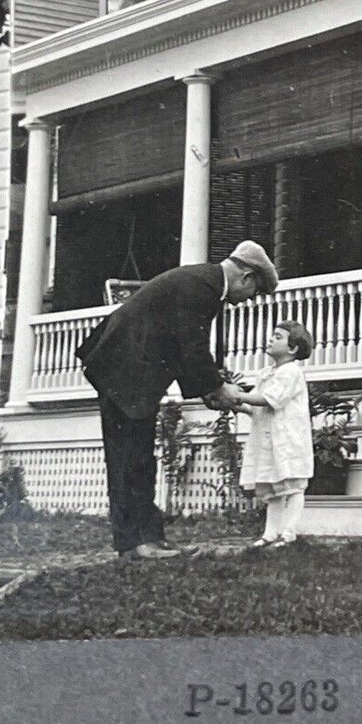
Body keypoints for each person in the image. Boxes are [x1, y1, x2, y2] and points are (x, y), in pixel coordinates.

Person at [76, 240, 279, 560]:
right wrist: (215, 388)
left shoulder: (202, 282)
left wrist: (211, 391)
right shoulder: (203, 288)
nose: (245, 302)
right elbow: (192, 347)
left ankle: (149, 539)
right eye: (253, 293)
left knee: (139, 458)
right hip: (123, 372)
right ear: (247, 277)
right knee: (129, 459)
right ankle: (135, 544)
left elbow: (181, 347)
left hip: (130, 372)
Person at [235, 320, 315, 547]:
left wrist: (239, 395)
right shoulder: (266, 373)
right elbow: (256, 406)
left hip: (287, 439)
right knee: (273, 489)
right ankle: (270, 534)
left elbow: (271, 399)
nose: (271, 339)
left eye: (278, 337)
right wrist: (234, 402)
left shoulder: (291, 372)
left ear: (292, 349)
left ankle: (288, 533)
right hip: (269, 440)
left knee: (293, 485)